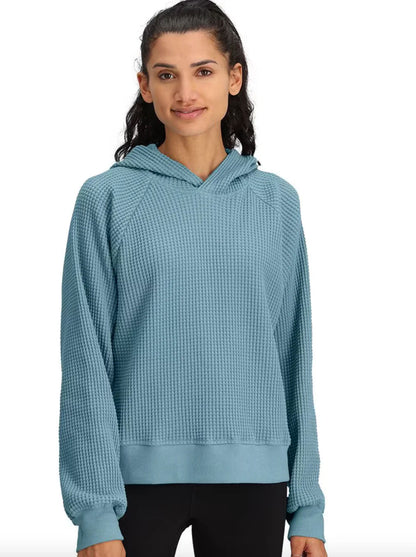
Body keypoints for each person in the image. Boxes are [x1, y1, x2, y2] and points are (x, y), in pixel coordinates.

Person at [58, 1, 328, 556]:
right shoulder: (106, 199)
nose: (185, 92)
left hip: (255, 480)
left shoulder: (276, 202)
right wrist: (95, 512)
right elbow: (86, 359)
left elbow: (293, 356)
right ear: (145, 85)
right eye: (166, 75)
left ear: (234, 78)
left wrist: (306, 505)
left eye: (203, 71)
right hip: (130, 488)